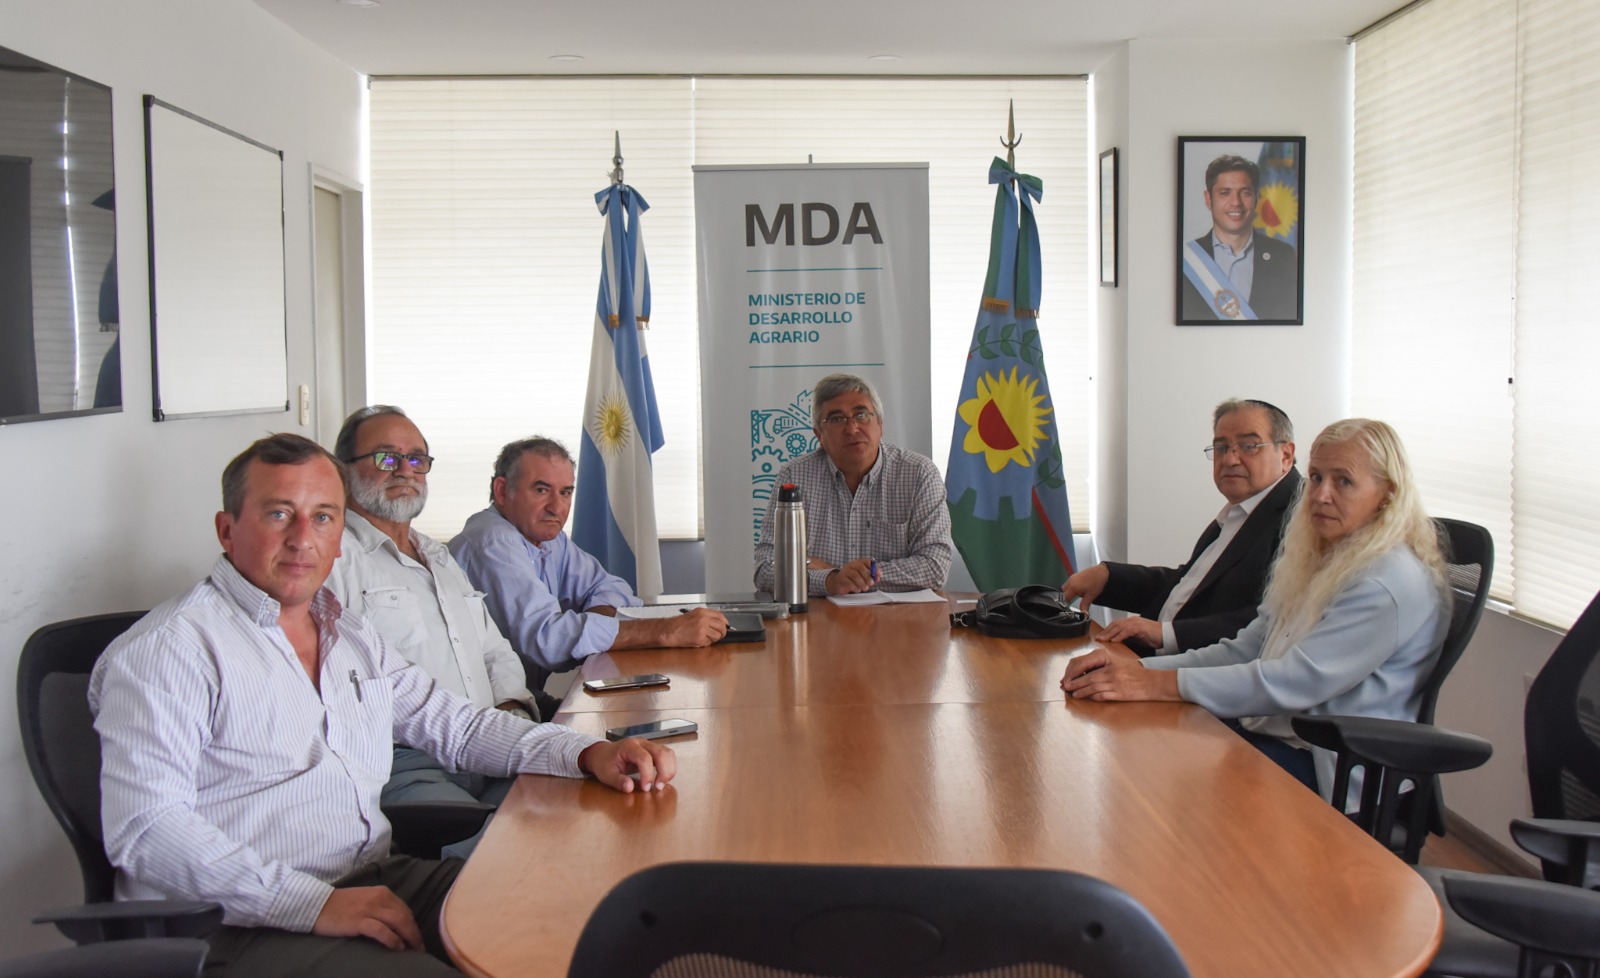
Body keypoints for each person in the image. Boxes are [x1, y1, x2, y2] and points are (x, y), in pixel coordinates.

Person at [89, 433, 674, 977]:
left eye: (323, 517)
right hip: (235, 921)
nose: (303, 538)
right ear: (226, 529)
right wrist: (312, 904)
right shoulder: (169, 651)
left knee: (575, 918)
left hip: (368, 877)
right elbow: (146, 830)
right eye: (278, 514)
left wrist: (584, 753)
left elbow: (457, 727)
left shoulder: (346, 633)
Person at [1060, 419, 1449, 800]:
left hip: (1330, 765)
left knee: (1163, 782)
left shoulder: (1383, 582)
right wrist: (1139, 671)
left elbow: (1293, 681)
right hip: (1277, 733)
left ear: (1387, 494)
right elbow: (1247, 647)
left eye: (1343, 481)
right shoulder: (1327, 556)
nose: (1320, 494)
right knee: (1138, 755)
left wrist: (1157, 684)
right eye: (1316, 477)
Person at [324, 406, 547, 827]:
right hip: (406, 762)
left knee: (568, 812)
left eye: (416, 459)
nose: (405, 470)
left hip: (489, 744)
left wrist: (511, 710)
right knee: (494, 848)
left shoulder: (437, 555)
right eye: (386, 458)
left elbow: (493, 649)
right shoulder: (334, 559)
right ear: (342, 470)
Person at [450, 437, 727, 689]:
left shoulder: (546, 537)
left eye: (565, 492)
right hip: (482, 712)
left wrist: (596, 622)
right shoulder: (494, 542)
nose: (556, 508)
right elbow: (548, 639)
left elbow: (611, 586)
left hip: (521, 700)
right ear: (502, 491)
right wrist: (666, 631)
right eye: (541, 490)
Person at [1061, 398, 1300, 655]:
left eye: (1249, 446)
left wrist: (1166, 633)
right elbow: (1190, 588)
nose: (1230, 459)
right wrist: (1109, 578)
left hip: (1201, 671)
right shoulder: (1239, 510)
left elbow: (1277, 620)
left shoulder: (1301, 516)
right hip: (1148, 659)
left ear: (1286, 455)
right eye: (1221, 448)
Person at [754, 373, 953, 596]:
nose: (852, 428)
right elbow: (765, 568)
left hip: (896, 614)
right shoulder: (795, 476)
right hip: (820, 616)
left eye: (861, 415)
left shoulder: (918, 474)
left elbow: (935, 566)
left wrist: (841, 575)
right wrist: (830, 580)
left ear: (880, 424)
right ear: (819, 435)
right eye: (836, 419)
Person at [1180, 154, 1298, 321]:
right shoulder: (1185, 259)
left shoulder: (1283, 256)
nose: (1236, 202)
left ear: (1256, 198)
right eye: (1225, 193)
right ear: (1208, 199)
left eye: (1245, 193)